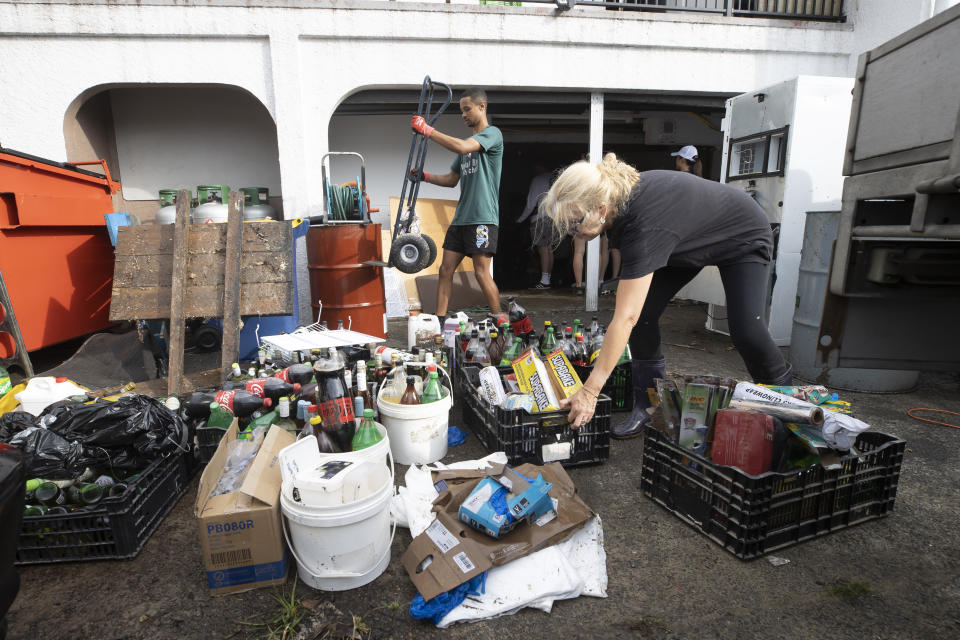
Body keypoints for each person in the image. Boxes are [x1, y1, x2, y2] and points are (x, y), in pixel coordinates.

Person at [540, 153, 792, 439]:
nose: (574, 232)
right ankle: (649, 408)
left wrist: (590, 390)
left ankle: (789, 409)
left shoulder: (643, 221)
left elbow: (625, 317)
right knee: (645, 317)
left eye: (575, 223)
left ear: (600, 208)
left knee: (747, 330)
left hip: (742, 234)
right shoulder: (618, 204)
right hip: (684, 240)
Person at [408, 88, 505, 325]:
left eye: (467, 109)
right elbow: (452, 180)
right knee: (445, 270)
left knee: (481, 273)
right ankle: (439, 322)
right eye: (461, 110)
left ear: (482, 107)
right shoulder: (466, 148)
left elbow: (462, 146)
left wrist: (427, 131)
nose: (463, 115)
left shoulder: (492, 135)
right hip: (461, 219)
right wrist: (425, 176)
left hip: (483, 218)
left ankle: (500, 319)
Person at [516, 162, 554, 289]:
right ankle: (547, 279)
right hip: (554, 218)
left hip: (541, 218)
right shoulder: (555, 178)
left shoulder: (538, 180)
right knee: (549, 249)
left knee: (543, 249)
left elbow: (530, 204)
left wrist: (519, 220)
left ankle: (544, 281)